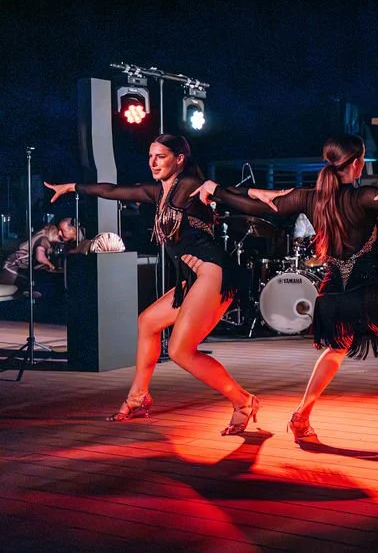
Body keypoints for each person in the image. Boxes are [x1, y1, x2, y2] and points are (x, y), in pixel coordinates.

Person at [194, 134, 378, 450]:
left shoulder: (308, 198)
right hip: (371, 293)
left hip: (332, 294)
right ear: (356, 163)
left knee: (335, 350)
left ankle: (300, 417)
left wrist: (217, 191)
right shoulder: (363, 197)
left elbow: (260, 204)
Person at [45, 135, 262, 435]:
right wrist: (71, 187)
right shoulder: (157, 191)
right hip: (193, 280)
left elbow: (223, 193)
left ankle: (243, 401)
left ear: (180, 159)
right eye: (150, 156)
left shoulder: (188, 185)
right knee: (147, 322)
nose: (153, 162)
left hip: (213, 273)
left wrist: (259, 193)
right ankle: (138, 396)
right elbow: (112, 190)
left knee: (180, 351)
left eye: (160, 156)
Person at [1, 217, 82, 286]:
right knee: (35, 287)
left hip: (13, 268)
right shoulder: (44, 240)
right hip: (11, 269)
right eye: (59, 236)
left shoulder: (41, 237)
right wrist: (51, 265)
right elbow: (40, 257)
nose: (60, 234)